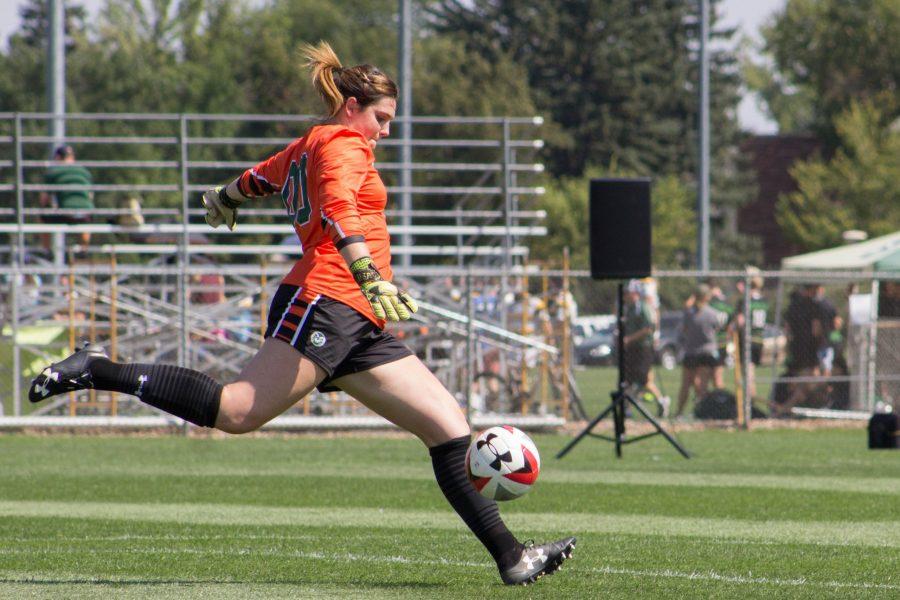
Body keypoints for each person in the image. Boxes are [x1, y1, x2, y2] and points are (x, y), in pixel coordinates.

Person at [27, 41, 574, 585]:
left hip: (358, 318)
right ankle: (98, 368)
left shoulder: (310, 143)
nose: (385, 131)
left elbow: (260, 177)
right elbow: (337, 212)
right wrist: (368, 274)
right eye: (381, 119)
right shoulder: (343, 144)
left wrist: (225, 196)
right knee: (237, 412)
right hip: (326, 301)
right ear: (352, 106)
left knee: (450, 429)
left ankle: (511, 557)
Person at [622, 280, 669, 416]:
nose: (625, 296)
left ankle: (661, 400)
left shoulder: (643, 307)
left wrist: (630, 338)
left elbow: (648, 328)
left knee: (643, 379)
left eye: (628, 293)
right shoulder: (630, 308)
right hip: (633, 348)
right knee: (628, 380)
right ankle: (627, 408)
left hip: (644, 348)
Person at [673, 284, 720, 418]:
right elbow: (716, 329)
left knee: (686, 384)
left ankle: (679, 413)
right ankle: (703, 411)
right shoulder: (712, 313)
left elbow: (684, 330)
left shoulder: (689, 313)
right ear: (707, 297)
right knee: (702, 385)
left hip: (691, 352)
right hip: (707, 352)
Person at [39, 145, 94, 252]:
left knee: (43, 217)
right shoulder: (84, 172)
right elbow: (90, 196)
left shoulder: (53, 171)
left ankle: (46, 250)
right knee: (86, 213)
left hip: (66, 213)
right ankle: (84, 249)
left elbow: (44, 199)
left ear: (58, 158)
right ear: (72, 157)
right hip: (85, 215)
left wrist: (50, 207)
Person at [730, 270, 769, 401]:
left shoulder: (746, 301)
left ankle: (749, 401)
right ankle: (749, 401)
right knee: (751, 370)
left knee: (747, 372)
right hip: (759, 339)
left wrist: (733, 324)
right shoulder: (763, 300)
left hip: (748, 339)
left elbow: (740, 322)